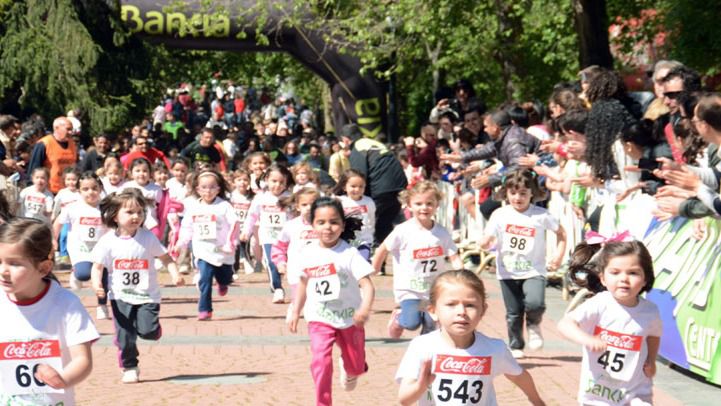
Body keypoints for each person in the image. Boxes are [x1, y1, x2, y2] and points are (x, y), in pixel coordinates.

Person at [396, 270, 545, 406]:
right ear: (433, 311)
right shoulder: (422, 346)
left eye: (470, 305)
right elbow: (404, 399)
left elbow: (518, 376)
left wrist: (536, 400)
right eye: (451, 304)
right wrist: (420, 386)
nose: (461, 311)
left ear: (483, 310)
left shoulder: (494, 348)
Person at [0, 218, 99, 406]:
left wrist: (62, 378)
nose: (3, 271)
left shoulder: (65, 305)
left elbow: (82, 360)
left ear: (44, 268)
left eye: (14, 264)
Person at [287, 197, 375, 406]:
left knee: (356, 366)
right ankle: (323, 402)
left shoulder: (349, 253)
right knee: (321, 361)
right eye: (321, 222)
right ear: (313, 225)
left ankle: (351, 369)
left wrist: (364, 309)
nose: (328, 227)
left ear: (343, 225)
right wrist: (295, 310)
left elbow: (368, 286)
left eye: (334, 222)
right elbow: (302, 283)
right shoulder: (307, 253)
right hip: (319, 317)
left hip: (349, 318)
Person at [90, 188, 184, 383]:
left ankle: (154, 330)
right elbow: (97, 267)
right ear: (115, 216)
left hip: (147, 295)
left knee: (147, 332)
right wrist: (97, 285)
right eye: (130, 212)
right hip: (120, 296)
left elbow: (166, 258)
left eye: (140, 212)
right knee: (125, 336)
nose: (136, 217)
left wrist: (175, 274)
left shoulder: (147, 238)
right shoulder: (107, 241)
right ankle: (130, 366)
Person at [558, 240, 661, 405]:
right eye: (615, 272)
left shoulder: (650, 311)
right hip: (598, 396)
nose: (624, 279)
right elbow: (565, 324)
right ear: (603, 278)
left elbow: (654, 335)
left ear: (645, 279)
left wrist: (652, 360)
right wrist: (587, 339)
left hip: (635, 393)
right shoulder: (600, 303)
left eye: (633, 273)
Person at [479, 169, 566, 358]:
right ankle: (516, 344)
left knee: (535, 303)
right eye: (513, 193)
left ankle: (534, 324)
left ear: (532, 193)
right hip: (507, 271)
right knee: (514, 312)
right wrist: (485, 243)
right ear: (506, 193)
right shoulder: (500, 214)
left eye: (523, 193)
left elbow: (562, 233)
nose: (518, 198)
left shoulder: (541, 215)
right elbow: (488, 236)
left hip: (534, 269)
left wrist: (558, 256)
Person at [373, 181, 461, 338]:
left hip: (433, 289)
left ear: (437, 205)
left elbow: (454, 255)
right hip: (409, 289)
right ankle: (399, 318)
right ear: (409, 205)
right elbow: (383, 248)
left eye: (429, 203)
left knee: (431, 326)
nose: (424, 208)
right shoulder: (403, 231)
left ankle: (424, 355)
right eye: (418, 203)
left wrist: (461, 274)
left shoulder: (441, 232)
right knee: (411, 323)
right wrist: (375, 267)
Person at [339, 124, 408, 266]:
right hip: (399, 186)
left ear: (346, 140)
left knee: (373, 224)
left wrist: (340, 192)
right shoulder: (372, 143)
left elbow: (357, 175)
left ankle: (370, 262)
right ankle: (383, 261)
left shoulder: (357, 147)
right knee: (384, 225)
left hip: (381, 188)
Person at [176, 170, 239, 321]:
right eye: (204, 187)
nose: (208, 190)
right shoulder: (193, 208)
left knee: (225, 277)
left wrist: (231, 242)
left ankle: (223, 282)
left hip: (222, 250)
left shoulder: (224, 206)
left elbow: (234, 224)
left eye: (212, 187)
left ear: (218, 189)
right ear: (198, 190)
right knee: (204, 279)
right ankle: (205, 309)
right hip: (202, 250)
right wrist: (181, 243)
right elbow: (187, 228)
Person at [54, 172, 111, 319]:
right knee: (84, 274)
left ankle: (102, 305)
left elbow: (113, 226)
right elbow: (58, 223)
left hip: (100, 247)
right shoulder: (73, 208)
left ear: (100, 189)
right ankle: (75, 273)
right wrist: (53, 239)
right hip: (80, 248)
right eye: (85, 189)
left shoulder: (106, 208)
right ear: (79, 191)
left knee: (102, 276)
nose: (90, 192)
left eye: (94, 188)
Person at [240, 163, 294, 303]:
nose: (277, 185)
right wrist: (246, 231)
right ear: (266, 180)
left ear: (287, 182)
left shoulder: (290, 197)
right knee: (271, 262)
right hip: (268, 236)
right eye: (274, 181)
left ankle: (295, 288)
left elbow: (296, 217)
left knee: (288, 263)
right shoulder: (260, 197)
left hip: (287, 237)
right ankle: (277, 289)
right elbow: (252, 215)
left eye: (282, 182)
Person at [271, 187, 321, 320]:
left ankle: (316, 315)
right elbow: (278, 246)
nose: (309, 208)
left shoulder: (323, 224)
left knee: (315, 296)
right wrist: (281, 262)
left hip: (319, 268)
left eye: (313, 204)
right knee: (299, 293)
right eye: (304, 205)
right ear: (297, 207)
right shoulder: (291, 226)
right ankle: (294, 307)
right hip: (297, 268)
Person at [27, 116, 78, 195]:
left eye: (71, 130)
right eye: (68, 129)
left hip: (67, 192)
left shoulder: (73, 144)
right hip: (48, 192)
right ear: (56, 128)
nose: (71, 132)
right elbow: (34, 169)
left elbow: (75, 167)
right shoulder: (44, 144)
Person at [333, 169, 375, 261]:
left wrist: (370, 237)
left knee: (362, 265)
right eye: (353, 186)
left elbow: (372, 220)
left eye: (361, 186)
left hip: (364, 241)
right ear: (344, 187)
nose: (357, 189)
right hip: (344, 241)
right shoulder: (339, 201)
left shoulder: (369, 202)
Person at [122, 158, 163, 240]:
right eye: (137, 171)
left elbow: (161, 207)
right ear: (131, 173)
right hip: (131, 223)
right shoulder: (127, 186)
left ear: (150, 173)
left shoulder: (156, 188)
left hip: (150, 224)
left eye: (145, 171)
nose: (141, 174)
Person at [230, 168, 254, 274]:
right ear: (234, 182)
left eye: (245, 180)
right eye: (239, 180)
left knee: (245, 243)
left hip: (246, 224)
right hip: (234, 225)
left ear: (249, 182)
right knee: (235, 245)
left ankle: (247, 261)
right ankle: (234, 268)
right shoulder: (231, 196)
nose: (242, 183)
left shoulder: (252, 196)